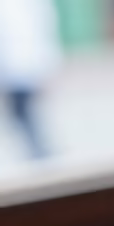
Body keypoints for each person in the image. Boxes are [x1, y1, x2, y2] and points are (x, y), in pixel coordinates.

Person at [0, 0, 60, 160]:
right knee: (23, 113)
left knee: (24, 113)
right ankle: (40, 152)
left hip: (20, 69)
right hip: (22, 69)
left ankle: (40, 153)